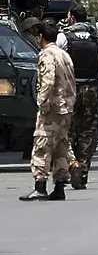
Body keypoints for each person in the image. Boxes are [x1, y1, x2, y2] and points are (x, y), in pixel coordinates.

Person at [20, 18, 76, 201]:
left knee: (41, 147)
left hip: (52, 108)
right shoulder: (64, 55)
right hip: (66, 108)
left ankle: (40, 186)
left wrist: (42, 104)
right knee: (61, 147)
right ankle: (59, 187)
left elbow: (48, 80)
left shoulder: (47, 55)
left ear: (41, 37)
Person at [57, 3, 98, 190]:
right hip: (91, 89)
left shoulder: (64, 36)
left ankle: (71, 165)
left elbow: (57, 61)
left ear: (72, 17)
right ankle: (82, 172)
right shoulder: (96, 38)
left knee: (67, 130)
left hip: (70, 89)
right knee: (88, 131)